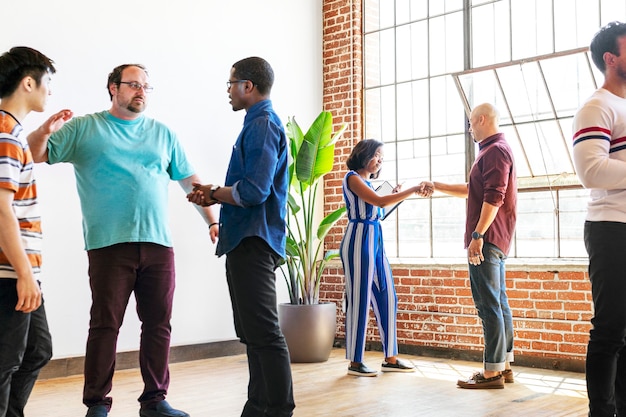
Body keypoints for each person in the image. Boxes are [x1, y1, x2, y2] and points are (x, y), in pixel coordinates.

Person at [27, 64, 218, 417]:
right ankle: (97, 403)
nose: (141, 91)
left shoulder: (163, 134)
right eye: (133, 84)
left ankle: (155, 401)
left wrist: (212, 221)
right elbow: (36, 154)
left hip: (158, 244)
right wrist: (43, 130)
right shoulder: (87, 128)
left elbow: (191, 184)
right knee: (105, 324)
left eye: (146, 85)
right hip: (108, 244)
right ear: (113, 88)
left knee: (158, 324)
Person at [187, 57, 295, 416]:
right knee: (252, 333)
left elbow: (253, 191)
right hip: (245, 240)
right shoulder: (256, 124)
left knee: (263, 333)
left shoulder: (263, 125)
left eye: (231, 83)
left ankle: (278, 408)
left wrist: (214, 192)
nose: (229, 91)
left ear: (248, 86)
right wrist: (214, 194)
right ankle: (258, 406)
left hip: (254, 240)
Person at [429, 103, 517, 389]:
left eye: (470, 123)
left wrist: (477, 236)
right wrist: (437, 185)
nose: (469, 129)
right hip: (494, 239)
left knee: (488, 305)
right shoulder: (492, 151)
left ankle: (491, 373)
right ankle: (503, 366)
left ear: (481, 119)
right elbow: (474, 190)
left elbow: (494, 197)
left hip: (487, 241)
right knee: (498, 303)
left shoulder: (494, 151)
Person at [572, 21, 626, 417]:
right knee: (609, 330)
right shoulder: (597, 106)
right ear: (611, 58)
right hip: (611, 228)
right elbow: (591, 171)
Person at [340, 138, 430, 377]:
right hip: (358, 240)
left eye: (382, 157)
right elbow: (378, 201)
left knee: (388, 296)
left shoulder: (369, 183)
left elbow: (380, 209)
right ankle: (355, 362)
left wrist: (397, 195)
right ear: (364, 154)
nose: (380, 160)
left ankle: (390, 358)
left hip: (375, 239)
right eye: (377, 154)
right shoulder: (352, 178)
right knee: (359, 300)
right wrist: (410, 191)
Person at [0, 46, 55, 417]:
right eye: (46, 83)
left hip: (21, 270)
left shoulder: (14, 133)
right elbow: (1, 210)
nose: (49, 91)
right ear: (28, 82)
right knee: (5, 362)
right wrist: (23, 273)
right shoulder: (5, 133)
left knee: (37, 350)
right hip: (10, 271)